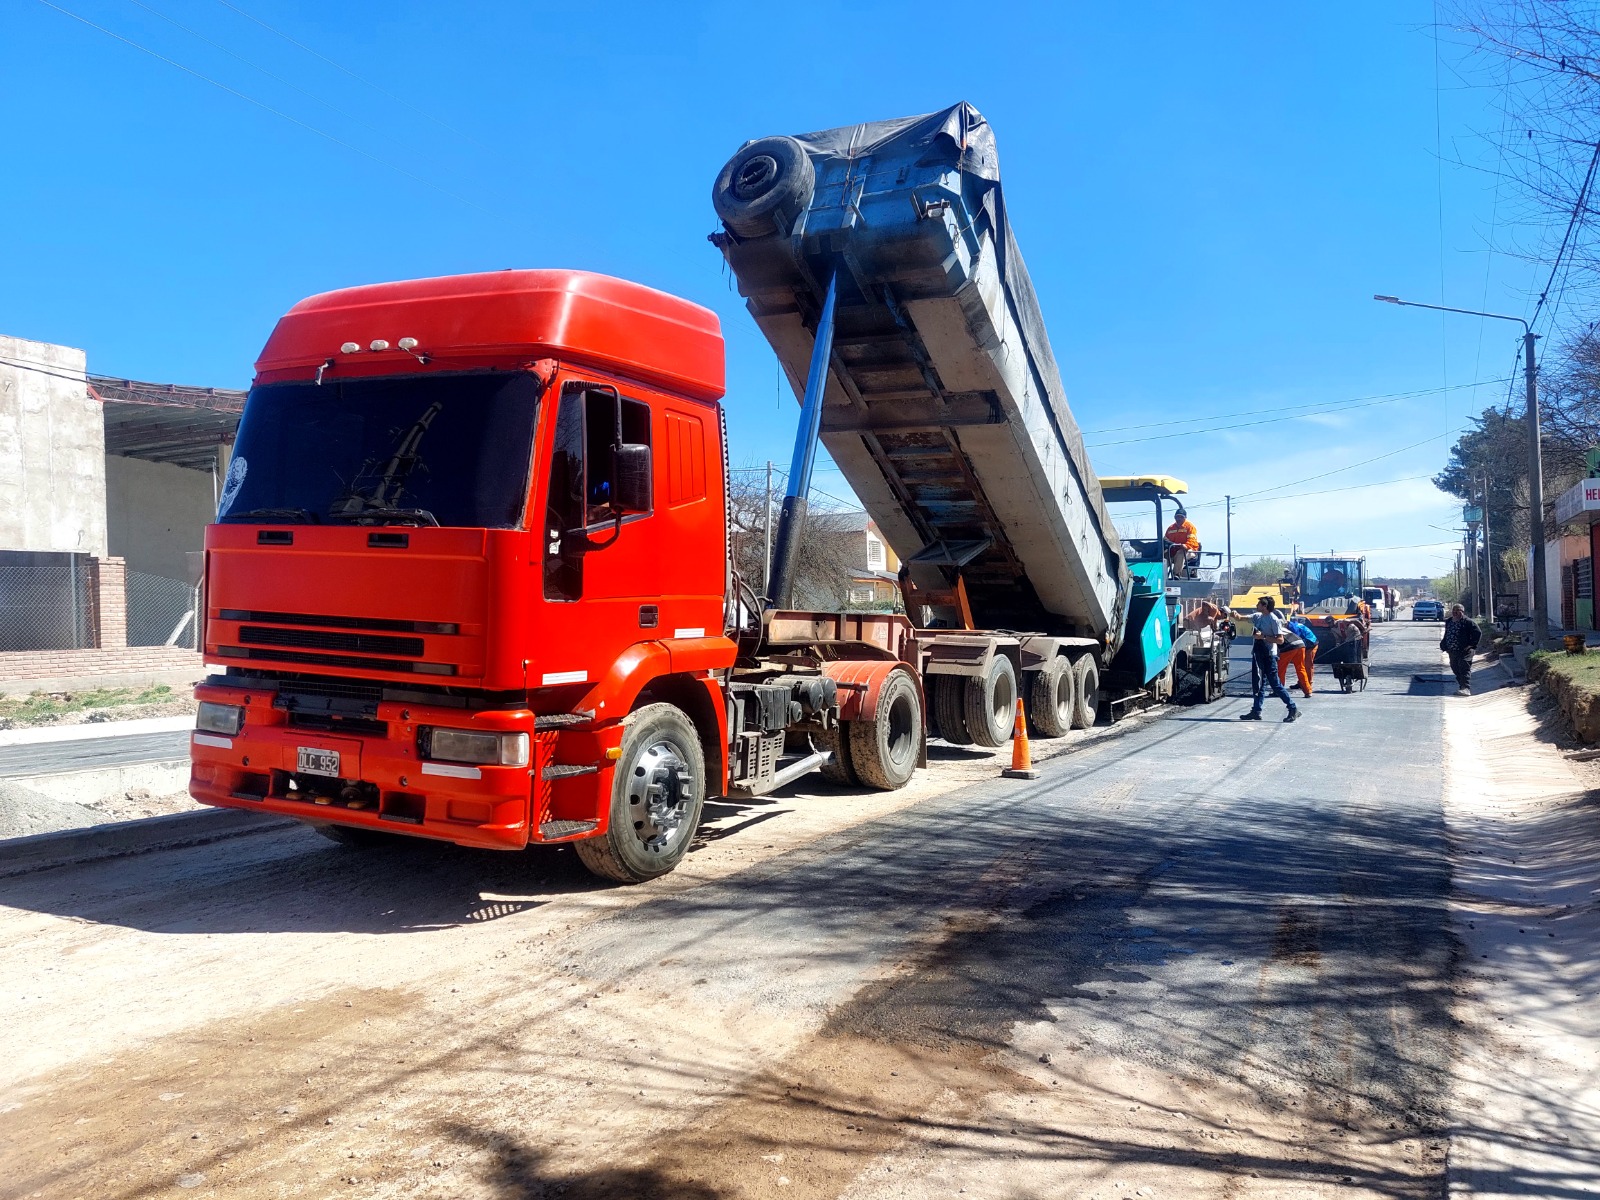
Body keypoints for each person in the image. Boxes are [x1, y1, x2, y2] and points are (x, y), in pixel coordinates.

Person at [1241, 595, 1299, 722]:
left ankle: (1293, 708)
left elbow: (1280, 639)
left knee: (1275, 684)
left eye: (1259, 604)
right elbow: (1241, 618)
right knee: (1259, 684)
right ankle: (1256, 711)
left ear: (1265, 606)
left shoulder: (1274, 620)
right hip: (1258, 654)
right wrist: (1232, 614)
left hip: (1269, 655)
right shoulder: (1258, 616)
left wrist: (1263, 637)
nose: (1257, 606)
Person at [1440, 603, 1481, 696]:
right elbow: (1447, 634)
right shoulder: (1449, 621)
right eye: (1454, 611)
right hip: (1452, 650)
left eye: (1458, 611)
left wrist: (1471, 645)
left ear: (1462, 612)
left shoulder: (1468, 622)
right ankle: (1461, 686)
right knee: (1455, 667)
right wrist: (1444, 645)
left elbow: (1477, 633)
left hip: (1465, 650)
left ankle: (1466, 688)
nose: (1455, 613)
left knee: (1464, 667)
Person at [1279, 611, 1318, 696]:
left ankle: (1309, 683)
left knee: (1307, 665)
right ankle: (1305, 687)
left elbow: (1295, 640)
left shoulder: (1294, 628)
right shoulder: (1291, 626)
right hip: (1303, 644)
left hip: (1310, 644)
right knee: (1301, 667)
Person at [1164, 507, 1200, 577]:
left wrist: (1185, 546)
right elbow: (1165, 539)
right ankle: (1161, 575)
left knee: (1181, 553)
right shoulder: (1171, 528)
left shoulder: (1190, 527)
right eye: (1177, 517)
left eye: (1181, 517)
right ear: (1174, 517)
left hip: (1189, 550)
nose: (1178, 519)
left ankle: (1176, 575)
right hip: (1173, 550)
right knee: (1164, 556)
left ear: (1185, 518)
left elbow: (1192, 541)